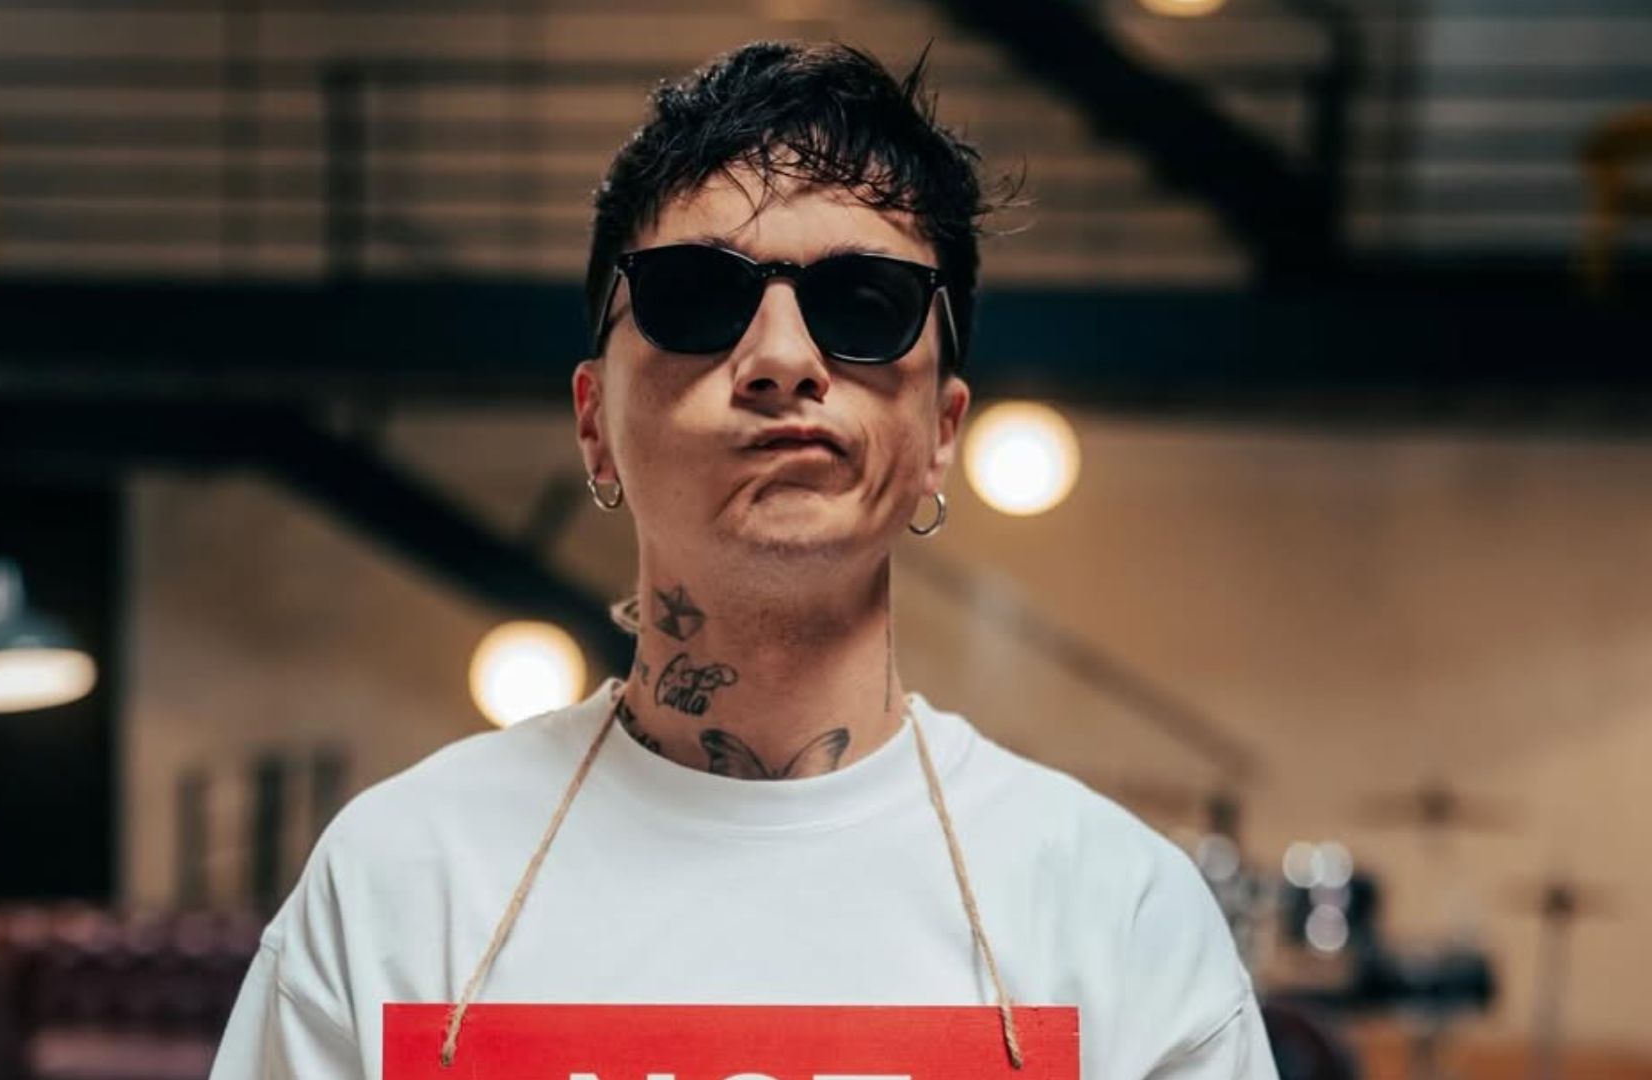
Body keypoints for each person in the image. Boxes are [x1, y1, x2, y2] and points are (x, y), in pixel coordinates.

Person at [211, 40, 1278, 1079]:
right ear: (594, 425)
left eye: (864, 304)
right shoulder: (399, 886)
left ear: (942, 434)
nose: (781, 359)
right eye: (696, 297)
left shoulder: (1116, 916)